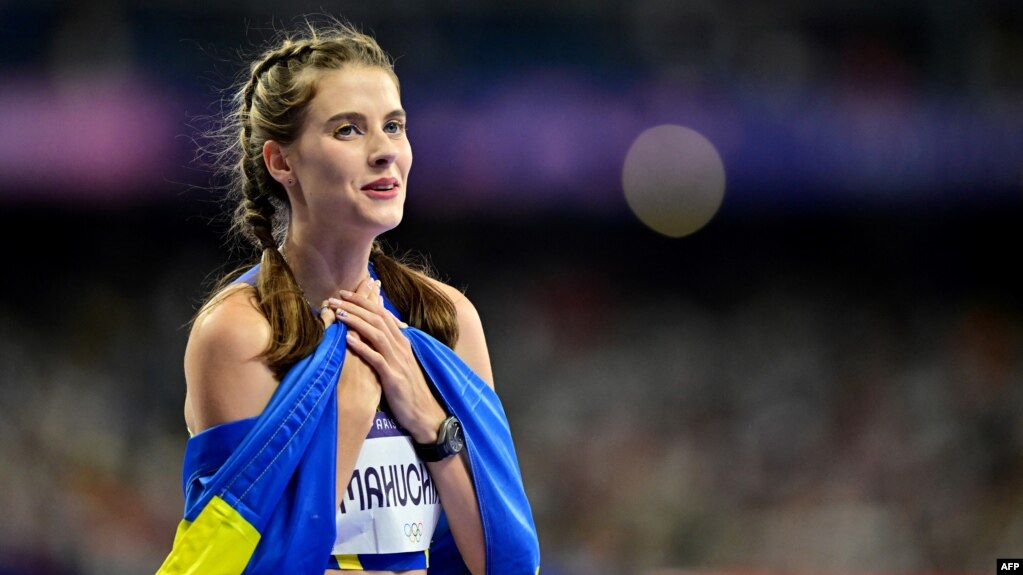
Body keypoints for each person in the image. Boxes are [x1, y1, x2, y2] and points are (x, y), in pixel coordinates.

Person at [156, 15, 540, 575]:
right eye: (348, 130)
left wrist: (431, 421)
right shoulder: (240, 335)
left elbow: (504, 562)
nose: (385, 151)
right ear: (281, 161)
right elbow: (241, 561)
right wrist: (349, 411)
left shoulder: (445, 321)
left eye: (394, 125)